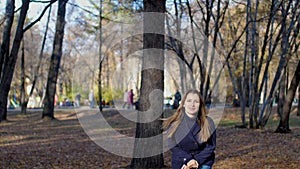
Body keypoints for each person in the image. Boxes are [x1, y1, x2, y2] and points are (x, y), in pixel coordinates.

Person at [163, 89, 216, 169]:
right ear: (183, 103)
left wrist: (196, 161)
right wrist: (188, 160)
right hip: (181, 161)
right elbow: (173, 145)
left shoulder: (208, 122)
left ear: (200, 104)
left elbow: (210, 147)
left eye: (196, 102)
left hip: (203, 161)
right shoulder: (174, 123)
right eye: (189, 101)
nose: (192, 104)